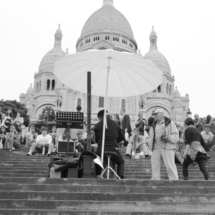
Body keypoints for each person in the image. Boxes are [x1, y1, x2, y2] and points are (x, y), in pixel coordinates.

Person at [148, 109, 179, 180]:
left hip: (167, 147)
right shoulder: (153, 124)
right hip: (155, 148)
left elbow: (176, 137)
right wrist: (149, 144)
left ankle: (174, 182)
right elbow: (151, 136)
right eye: (154, 114)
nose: (154, 116)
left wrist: (168, 138)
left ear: (162, 114)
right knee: (154, 166)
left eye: (156, 114)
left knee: (170, 166)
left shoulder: (170, 123)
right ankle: (155, 182)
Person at [94, 110, 125, 179]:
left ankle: (98, 175)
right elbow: (122, 137)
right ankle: (120, 178)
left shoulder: (97, 125)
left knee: (96, 159)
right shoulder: (116, 124)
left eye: (99, 118)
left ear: (100, 117)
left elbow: (96, 140)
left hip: (101, 149)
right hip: (113, 148)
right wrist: (116, 141)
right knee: (121, 162)